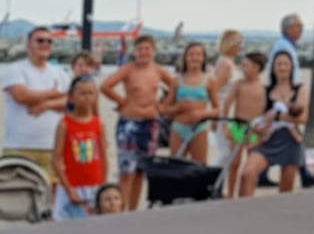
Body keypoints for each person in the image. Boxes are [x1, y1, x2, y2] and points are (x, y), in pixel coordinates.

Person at [100, 34, 175, 211]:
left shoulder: (158, 70)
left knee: (141, 171)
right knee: (127, 172)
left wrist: (163, 105)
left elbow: (175, 86)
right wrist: (122, 101)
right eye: (140, 49)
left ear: (153, 51)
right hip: (130, 123)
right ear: (135, 52)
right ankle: (119, 209)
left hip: (150, 124)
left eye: (147, 48)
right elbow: (105, 86)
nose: (143, 52)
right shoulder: (128, 69)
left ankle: (133, 211)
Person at [2, 27, 70, 183]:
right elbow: (21, 95)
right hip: (19, 146)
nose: (45, 44)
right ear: (28, 45)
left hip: (54, 146)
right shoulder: (15, 69)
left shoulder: (60, 73)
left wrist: (45, 105)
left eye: (49, 41)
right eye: (40, 40)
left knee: (53, 195)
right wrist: (52, 94)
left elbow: (71, 101)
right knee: (19, 196)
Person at [239, 52, 308, 195]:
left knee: (285, 190)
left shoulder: (300, 89)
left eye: (286, 64)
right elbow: (257, 117)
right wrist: (248, 135)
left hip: (290, 141)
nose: (282, 67)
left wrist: (277, 115)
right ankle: (243, 208)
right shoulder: (265, 90)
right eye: (279, 64)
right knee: (247, 173)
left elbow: (303, 118)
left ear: (291, 67)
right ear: (273, 68)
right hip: (267, 138)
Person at [265, 13, 314, 188]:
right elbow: (283, 70)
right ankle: (303, 173)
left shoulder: (287, 45)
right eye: (297, 27)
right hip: (286, 95)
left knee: (292, 132)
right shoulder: (283, 47)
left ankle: (303, 172)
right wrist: (290, 94)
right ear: (287, 29)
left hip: (289, 93)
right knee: (292, 132)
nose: (301, 30)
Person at [51, 76, 108, 220]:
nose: (87, 97)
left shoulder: (98, 124)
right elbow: (55, 160)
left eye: (90, 93)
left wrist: (103, 186)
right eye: (82, 93)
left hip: (94, 185)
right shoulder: (64, 124)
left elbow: (104, 157)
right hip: (71, 185)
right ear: (71, 97)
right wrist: (69, 190)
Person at [163, 42, 219, 163]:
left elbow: (217, 110)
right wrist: (178, 107)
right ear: (185, 57)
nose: (194, 58)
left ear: (203, 58)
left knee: (198, 167)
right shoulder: (177, 80)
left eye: (198, 55)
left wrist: (202, 114)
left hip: (199, 128)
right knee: (176, 167)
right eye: (191, 54)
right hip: (178, 127)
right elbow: (164, 108)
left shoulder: (209, 80)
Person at [222, 51, 267, 197]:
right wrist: (225, 125)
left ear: (256, 67)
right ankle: (230, 192)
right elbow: (227, 104)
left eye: (246, 65)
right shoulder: (239, 84)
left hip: (254, 129)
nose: (243, 68)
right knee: (234, 163)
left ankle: (249, 193)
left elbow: (267, 110)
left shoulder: (263, 87)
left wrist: (264, 128)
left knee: (251, 164)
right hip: (238, 126)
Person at [211, 29, 243, 167]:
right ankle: (210, 179)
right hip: (224, 113)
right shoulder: (226, 64)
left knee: (233, 151)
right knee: (226, 151)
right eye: (237, 42)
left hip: (233, 113)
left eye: (241, 42)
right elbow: (215, 90)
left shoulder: (229, 62)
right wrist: (217, 118)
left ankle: (218, 183)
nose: (240, 45)